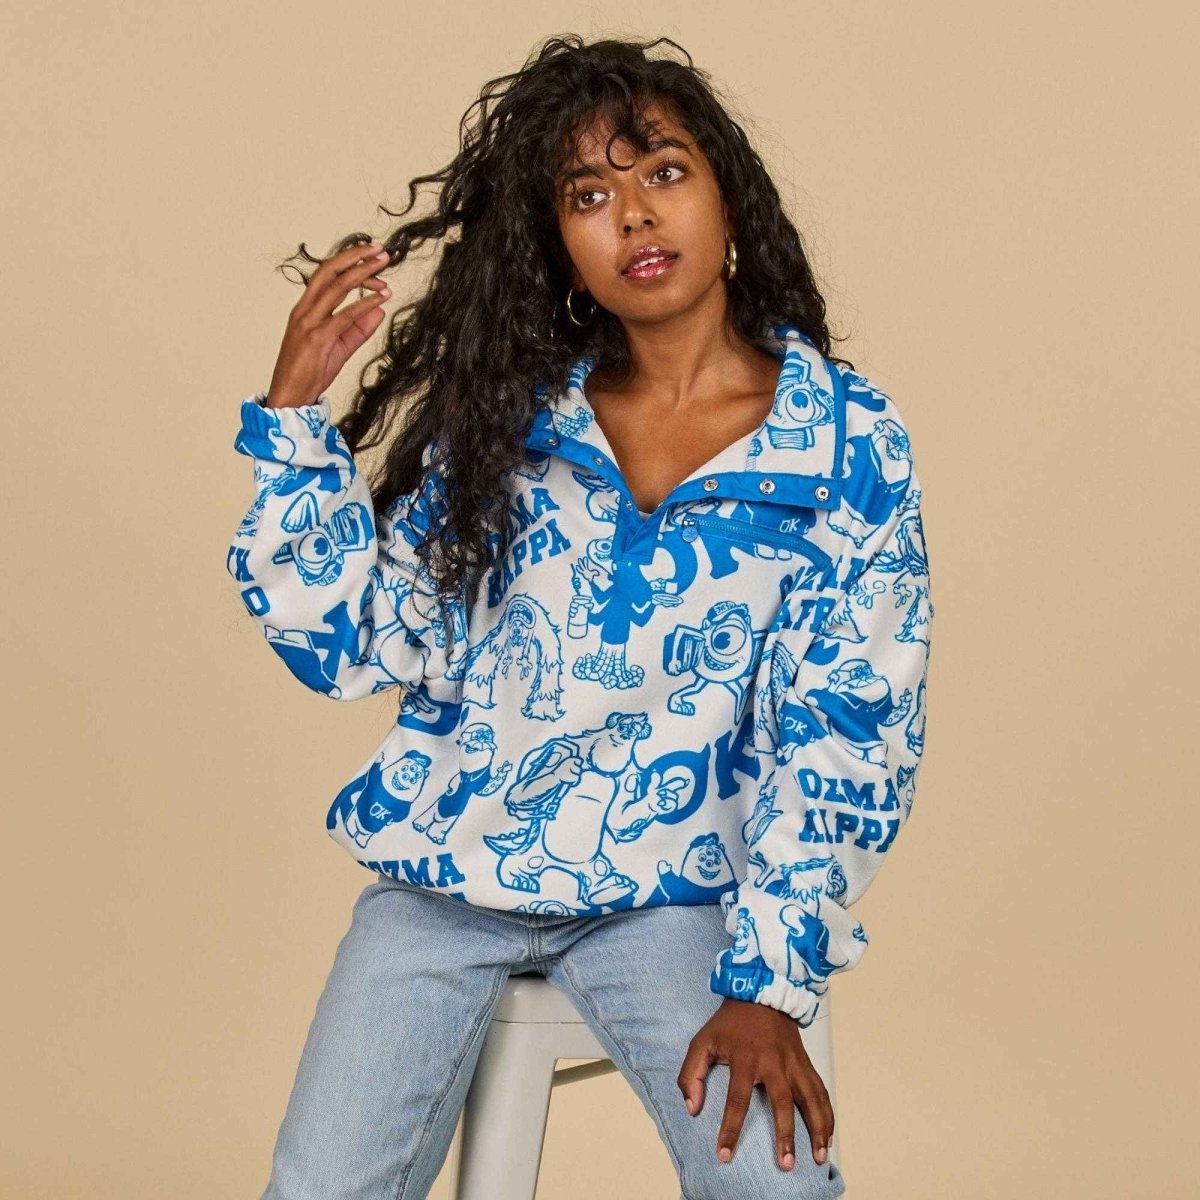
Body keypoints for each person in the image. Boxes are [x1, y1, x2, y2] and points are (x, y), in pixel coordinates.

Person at [227, 33, 933, 1200]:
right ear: (558, 242)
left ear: (727, 195)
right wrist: (293, 422)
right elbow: (356, 643)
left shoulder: (843, 441)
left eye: (663, 172)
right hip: (447, 885)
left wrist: (770, 980)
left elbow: (851, 722)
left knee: (777, 1187)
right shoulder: (507, 420)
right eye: (589, 195)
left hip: (675, 900)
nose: (635, 219)